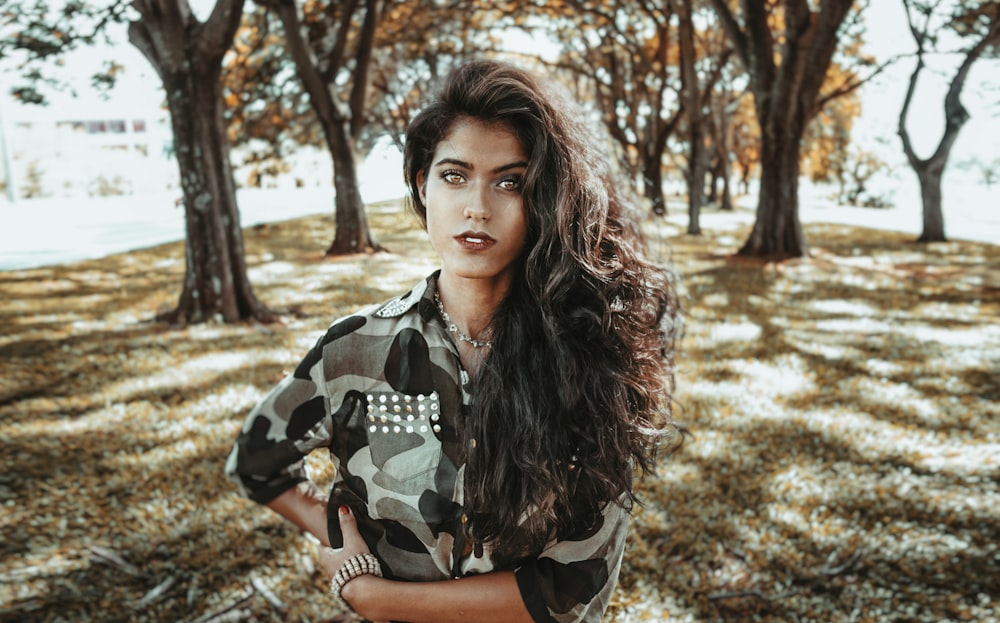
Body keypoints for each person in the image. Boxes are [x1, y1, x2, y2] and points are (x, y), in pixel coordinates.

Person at [225, 59, 681, 623]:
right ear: (423, 182)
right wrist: (340, 535)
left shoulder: (592, 359)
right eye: (454, 175)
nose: (477, 207)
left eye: (510, 182)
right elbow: (256, 462)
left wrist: (375, 598)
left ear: (543, 201)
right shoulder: (354, 350)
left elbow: (570, 589)